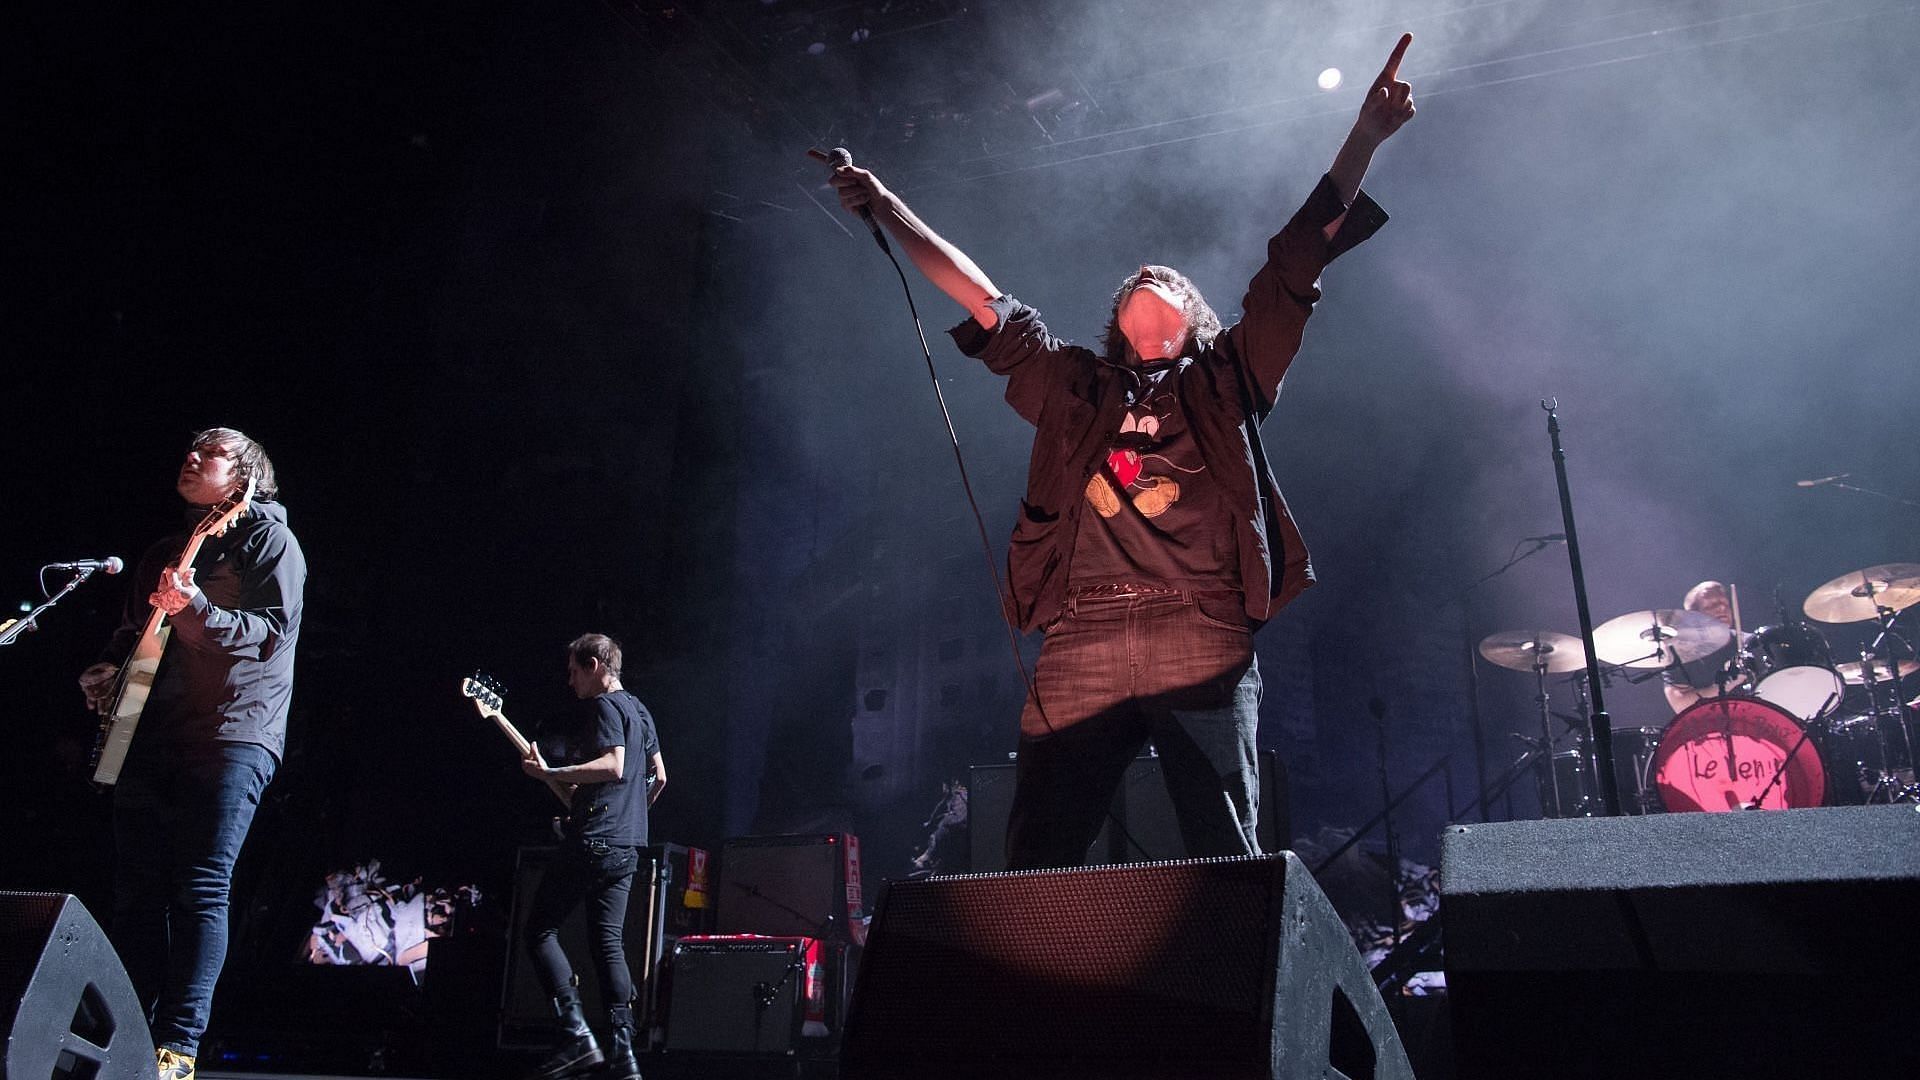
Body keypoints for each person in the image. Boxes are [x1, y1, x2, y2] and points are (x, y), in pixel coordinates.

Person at [832, 39, 1416, 869]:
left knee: (1224, 854)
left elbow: (1294, 262)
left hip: (1200, 621)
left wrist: (1362, 137)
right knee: (1037, 857)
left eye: (1169, 277)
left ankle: (1231, 990)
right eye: (1137, 276)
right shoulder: (1075, 385)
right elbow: (977, 294)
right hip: (1085, 631)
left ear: (1192, 315)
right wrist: (887, 204)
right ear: (1117, 321)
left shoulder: (1226, 376)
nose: (1150, 271)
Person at [77, 428, 306, 1080]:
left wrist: (198, 607)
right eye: (191, 447)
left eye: (211, 450)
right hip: (152, 734)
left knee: (202, 887)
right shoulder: (164, 551)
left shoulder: (269, 540)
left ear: (244, 476)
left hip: (233, 734)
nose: (192, 455)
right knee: (137, 894)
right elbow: (131, 637)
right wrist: (105, 669)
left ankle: (178, 1046)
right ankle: (123, 1034)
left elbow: (267, 636)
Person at [518, 633, 666, 1080]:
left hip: (596, 839)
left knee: (539, 930)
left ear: (596, 665)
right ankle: (624, 1057)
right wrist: (624, 814)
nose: (570, 681)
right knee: (608, 944)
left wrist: (551, 772)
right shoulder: (640, 710)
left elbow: (615, 766)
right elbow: (659, 777)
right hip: (628, 844)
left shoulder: (604, 707)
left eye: (574, 671)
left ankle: (576, 1033)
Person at [1663, 580, 1746, 714]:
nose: (1722, 608)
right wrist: (1728, 684)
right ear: (1693, 617)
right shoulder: (1680, 654)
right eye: (1711, 605)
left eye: (1725, 604)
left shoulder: (1750, 642)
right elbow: (1681, 705)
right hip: (1711, 726)